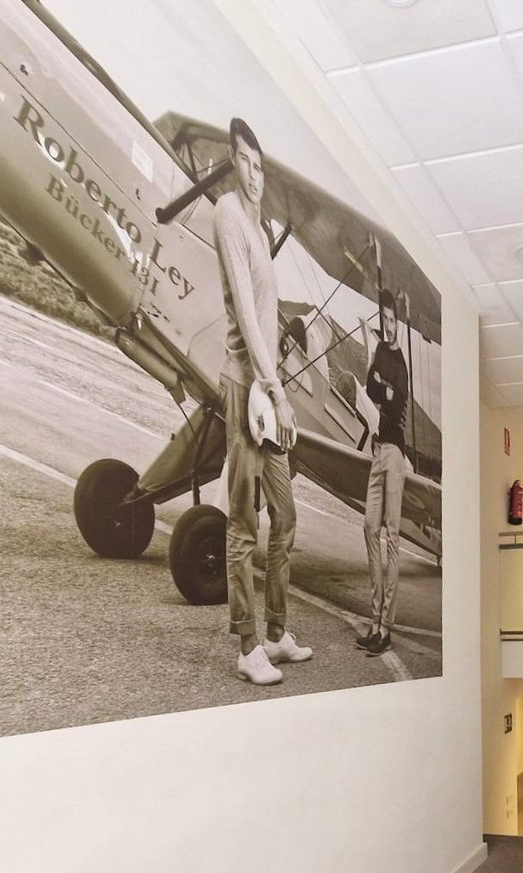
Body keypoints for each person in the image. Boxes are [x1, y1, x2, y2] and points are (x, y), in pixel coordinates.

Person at [214, 117, 312, 685]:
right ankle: (247, 645)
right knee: (243, 522)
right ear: (232, 162)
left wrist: (278, 389)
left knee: (286, 516)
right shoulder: (228, 214)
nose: (253, 174)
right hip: (245, 387)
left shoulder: (258, 223)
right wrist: (277, 391)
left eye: (259, 165)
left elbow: (270, 318)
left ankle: (276, 633)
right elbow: (249, 316)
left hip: (268, 392)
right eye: (244, 162)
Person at [357, 290, 409, 656]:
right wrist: (381, 387)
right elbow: (371, 386)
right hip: (377, 451)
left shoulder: (400, 363)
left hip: (394, 454)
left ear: (399, 323)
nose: (388, 326)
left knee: (391, 535)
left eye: (392, 320)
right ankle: (374, 619)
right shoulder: (378, 351)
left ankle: (385, 627)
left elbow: (395, 398)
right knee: (368, 527)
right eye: (385, 319)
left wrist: (384, 387)